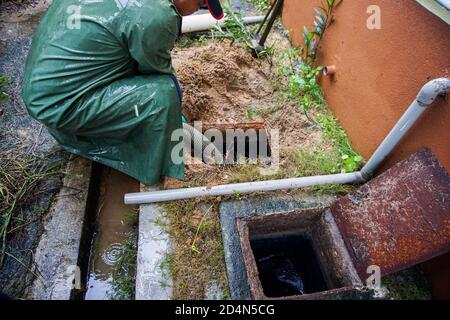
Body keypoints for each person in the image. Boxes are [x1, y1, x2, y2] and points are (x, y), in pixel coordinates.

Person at [22, 0, 223, 185]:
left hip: (43, 88)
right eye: (200, 4)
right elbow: (157, 72)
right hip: (63, 104)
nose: (197, 10)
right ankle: (155, 170)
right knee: (162, 95)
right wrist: (173, 116)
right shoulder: (155, 15)